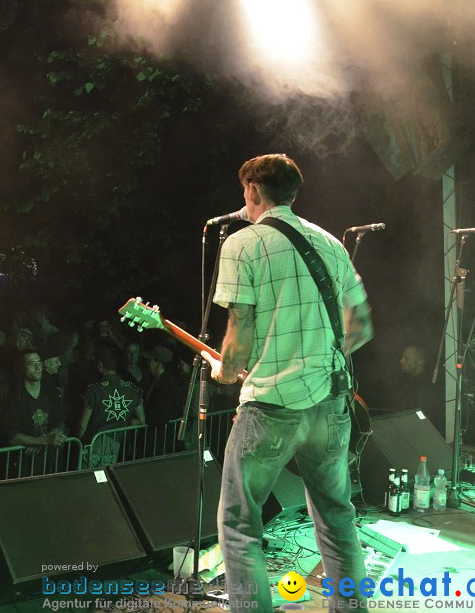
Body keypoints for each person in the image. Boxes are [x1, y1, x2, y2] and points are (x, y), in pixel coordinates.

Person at [200, 154, 373, 611]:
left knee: (239, 526)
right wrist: (318, 360)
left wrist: (224, 371)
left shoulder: (243, 243)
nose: (243, 200)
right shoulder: (329, 244)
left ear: (254, 190)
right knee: (338, 519)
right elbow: (359, 326)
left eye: (244, 192)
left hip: (272, 407)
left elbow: (239, 333)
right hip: (331, 405)